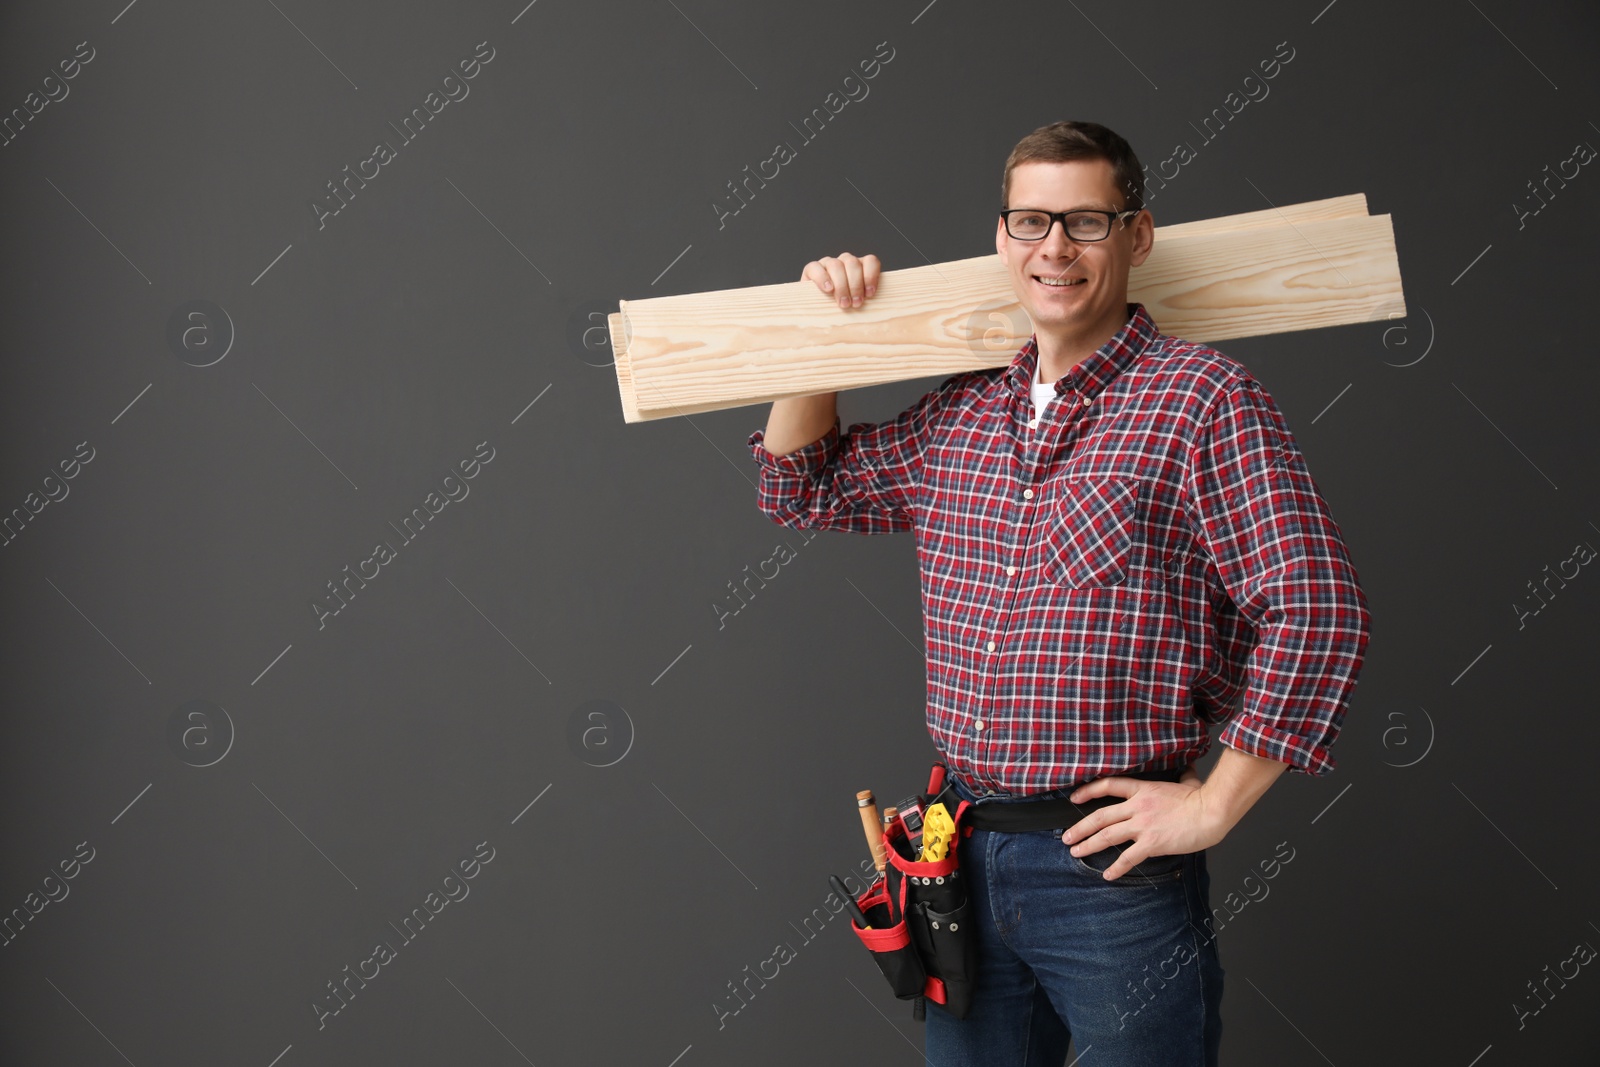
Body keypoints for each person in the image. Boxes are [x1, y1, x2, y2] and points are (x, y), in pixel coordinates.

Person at [746, 120, 1371, 1066]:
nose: (1055, 249)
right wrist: (822, 336)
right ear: (1002, 237)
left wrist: (1210, 805)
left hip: (1111, 875)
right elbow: (804, 486)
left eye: (1085, 221)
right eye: (1032, 221)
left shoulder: (1202, 401)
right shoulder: (964, 413)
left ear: (1137, 234)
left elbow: (1317, 608)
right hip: (956, 854)